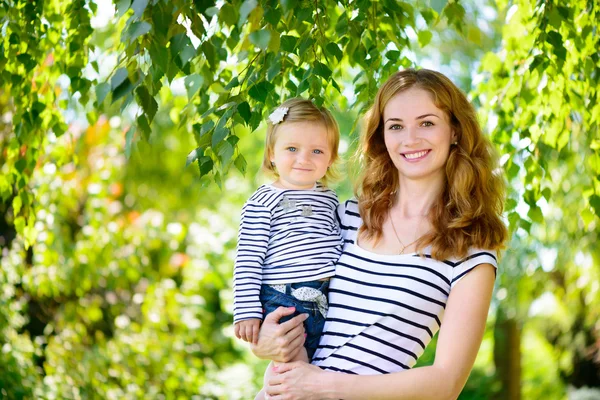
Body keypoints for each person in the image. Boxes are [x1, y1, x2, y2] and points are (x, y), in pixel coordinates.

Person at [251, 68, 509, 399]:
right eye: (396, 126)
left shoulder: (471, 254)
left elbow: (446, 383)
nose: (410, 139)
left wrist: (325, 385)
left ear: (455, 131)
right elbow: (280, 292)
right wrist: (264, 341)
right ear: (383, 137)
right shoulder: (343, 217)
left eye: (427, 123)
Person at [233, 98, 344, 366]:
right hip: (285, 298)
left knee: (317, 368)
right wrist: (246, 311)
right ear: (272, 153)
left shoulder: (329, 199)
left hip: (326, 298)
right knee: (293, 366)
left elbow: (336, 241)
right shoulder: (264, 201)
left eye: (317, 151)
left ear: (330, 158)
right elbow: (248, 259)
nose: (304, 159)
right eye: (292, 148)